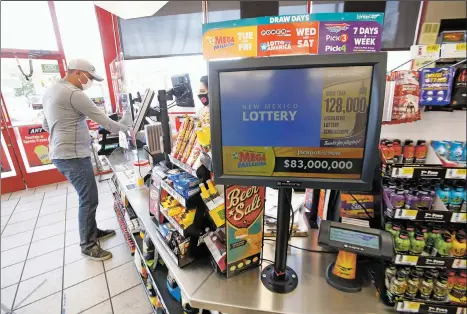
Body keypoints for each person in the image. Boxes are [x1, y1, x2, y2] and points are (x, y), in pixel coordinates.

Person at [42, 59, 128, 261]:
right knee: (89, 199)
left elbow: (46, 125)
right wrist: (132, 130)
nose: (88, 82)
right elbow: (106, 122)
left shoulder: (52, 90)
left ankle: (92, 231)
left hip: (61, 153)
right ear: (78, 73)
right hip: (73, 156)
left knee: (87, 197)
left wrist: (71, 130)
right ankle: (88, 245)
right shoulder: (74, 93)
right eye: (88, 77)